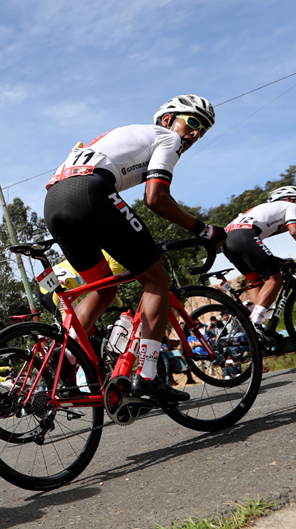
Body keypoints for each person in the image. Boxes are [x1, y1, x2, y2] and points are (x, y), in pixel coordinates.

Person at [43, 95, 225, 403]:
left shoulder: (129, 135)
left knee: (103, 290)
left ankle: (64, 359)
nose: (195, 134)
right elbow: (156, 199)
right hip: (90, 192)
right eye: (192, 122)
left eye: (203, 130)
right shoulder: (167, 138)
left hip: (54, 201)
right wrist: (204, 230)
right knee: (156, 281)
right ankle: (148, 377)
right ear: (168, 119)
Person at [221, 186, 296, 341]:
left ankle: (252, 324)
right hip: (245, 236)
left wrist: (275, 260)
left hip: (227, 242)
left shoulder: (265, 210)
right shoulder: (290, 206)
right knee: (274, 280)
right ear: (289, 199)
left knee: (257, 282)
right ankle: (256, 322)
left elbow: (255, 249)